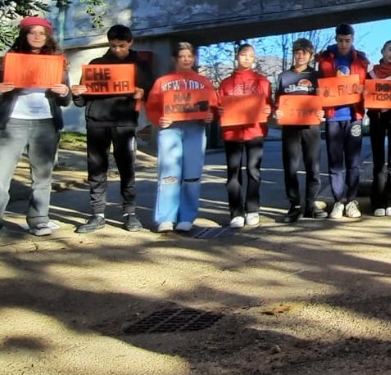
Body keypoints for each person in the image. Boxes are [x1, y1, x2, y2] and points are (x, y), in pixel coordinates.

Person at [0, 16, 71, 241]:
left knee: (42, 176)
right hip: (12, 123)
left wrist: (64, 92)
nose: (37, 36)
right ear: (24, 35)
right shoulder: (9, 60)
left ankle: (39, 220)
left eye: (42, 33)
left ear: (48, 36)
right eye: (32, 32)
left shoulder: (58, 62)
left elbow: (66, 99)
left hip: (46, 124)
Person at [71, 24, 153, 234]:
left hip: (125, 123)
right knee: (96, 168)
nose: (117, 50)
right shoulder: (96, 65)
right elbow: (81, 101)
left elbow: (152, 94)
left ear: (131, 42)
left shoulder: (140, 65)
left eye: (122, 46)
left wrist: (142, 93)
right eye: (113, 46)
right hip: (96, 122)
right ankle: (97, 214)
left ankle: (130, 213)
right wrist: (78, 93)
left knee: (127, 168)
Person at [147, 42, 218, 233]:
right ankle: (166, 217)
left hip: (195, 129)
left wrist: (211, 114)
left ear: (194, 58)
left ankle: (187, 216)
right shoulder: (163, 82)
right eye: (182, 56)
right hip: (170, 129)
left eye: (190, 56)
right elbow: (152, 106)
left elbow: (213, 105)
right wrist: (158, 119)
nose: (186, 59)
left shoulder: (204, 82)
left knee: (192, 174)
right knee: (169, 174)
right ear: (175, 59)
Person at [318, 24, 370, 219]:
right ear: (336, 39)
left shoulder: (361, 60)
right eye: (340, 40)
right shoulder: (324, 60)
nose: (343, 44)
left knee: (353, 162)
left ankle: (352, 201)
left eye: (347, 40)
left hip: (353, 116)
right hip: (333, 117)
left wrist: (364, 92)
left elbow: (368, 86)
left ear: (352, 39)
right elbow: (320, 85)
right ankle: (339, 201)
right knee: (335, 162)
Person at [218, 43, 273, 228]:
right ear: (237, 56)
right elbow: (220, 105)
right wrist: (219, 111)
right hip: (232, 133)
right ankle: (236, 212)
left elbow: (269, 104)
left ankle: (252, 209)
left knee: (253, 171)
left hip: (255, 131)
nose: (247, 58)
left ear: (254, 59)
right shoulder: (225, 84)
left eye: (250, 55)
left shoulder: (263, 82)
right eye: (243, 54)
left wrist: (268, 109)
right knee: (233, 174)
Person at [276, 38, 324, 220]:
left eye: (304, 52)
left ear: (310, 55)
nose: (300, 56)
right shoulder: (284, 76)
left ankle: (311, 204)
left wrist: (322, 112)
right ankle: (295, 206)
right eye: (297, 52)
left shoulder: (317, 77)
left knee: (313, 167)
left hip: (311, 127)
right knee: (290, 168)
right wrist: (277, 112)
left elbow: (325, 101)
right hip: (290, 128)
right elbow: (277, 102)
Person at [366, 40, 391, 217]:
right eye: (390, 50)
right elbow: (366, 94)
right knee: (378, 162)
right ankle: (377, 202)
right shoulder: (371, 73)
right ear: (383, 51)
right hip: (376, 119)